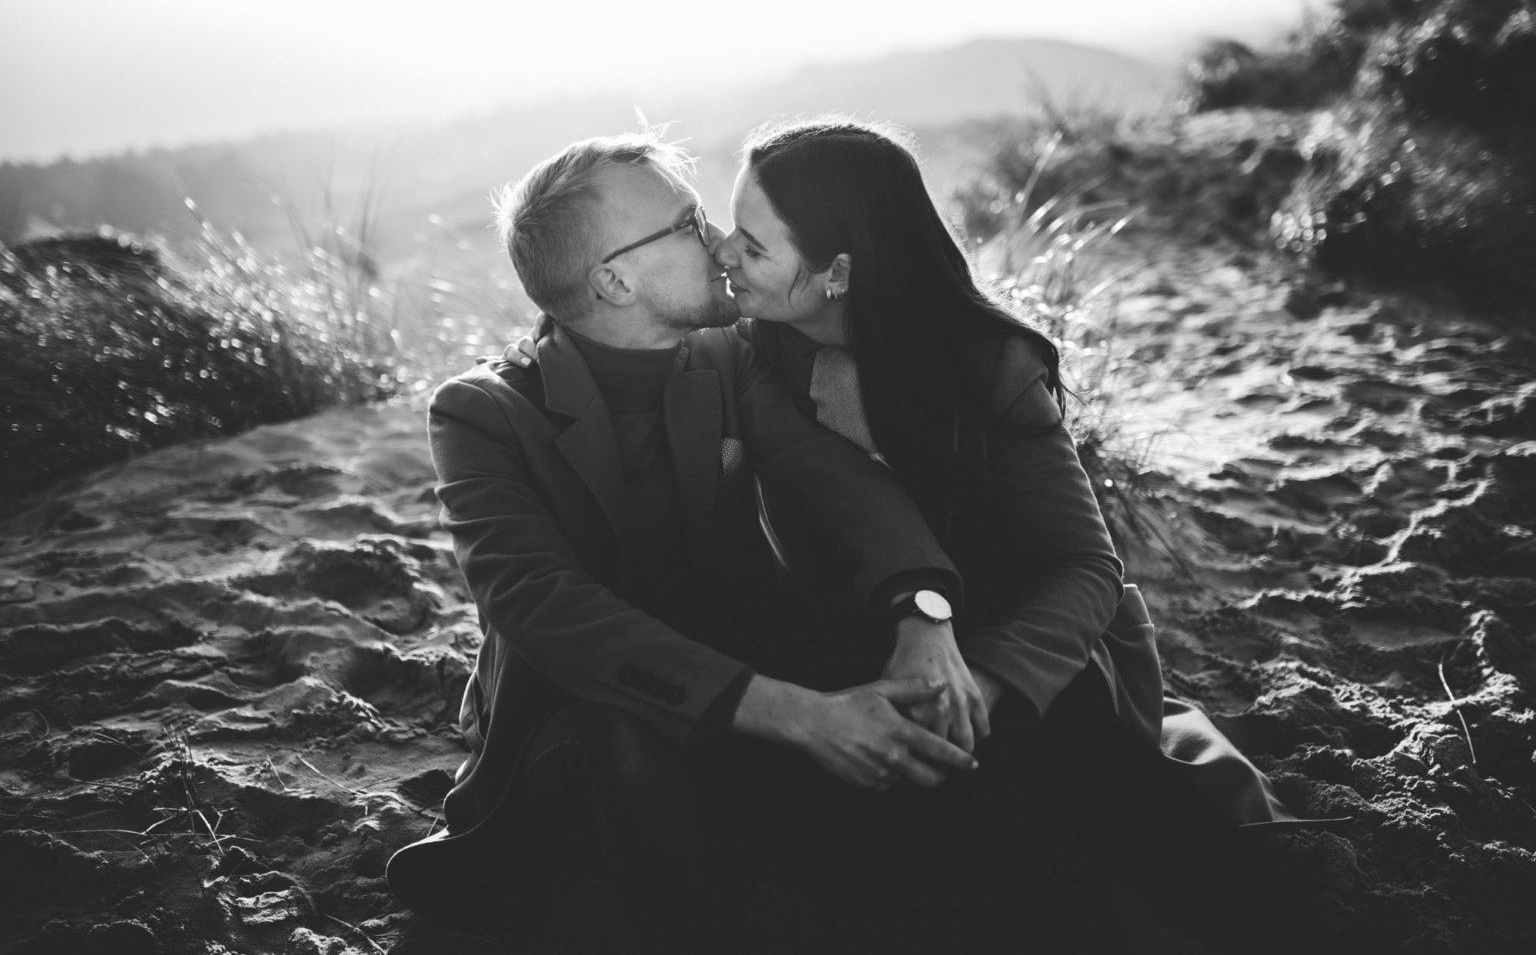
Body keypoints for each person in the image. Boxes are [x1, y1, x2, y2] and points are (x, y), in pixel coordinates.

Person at [706, 116, 1327, 952]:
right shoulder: (753, 353)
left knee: (1063, 829)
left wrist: (987, 684)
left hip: (1031, 658)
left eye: (751, 243)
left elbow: (1085, 568)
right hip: (850, 654)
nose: (723, 254)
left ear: (835, 273)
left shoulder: (985, 365)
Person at [385, 129, 992, 955]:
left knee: (922, 708)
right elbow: (543, 605)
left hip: (750, 679)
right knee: (632, 749)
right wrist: (797, 717)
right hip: (584, 727)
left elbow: (837, 480)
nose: (717, 241)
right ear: (615, 279)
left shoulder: (723, 356)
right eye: (685, 223)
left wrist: (922, 614)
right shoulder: (482, 415)